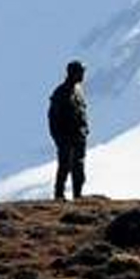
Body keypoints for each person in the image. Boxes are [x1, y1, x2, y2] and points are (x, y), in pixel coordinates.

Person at [47, 60, 89, 200]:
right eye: (81, 72)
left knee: (79, 167)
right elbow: (53, 118)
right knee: (64, 167)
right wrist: (59, 139)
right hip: (66, 138)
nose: (83, 75)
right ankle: (59, 195)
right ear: (73, 73)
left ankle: (78, 195)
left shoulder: (78, 91)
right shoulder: (60, 93)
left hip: (79, 137)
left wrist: (85, 130)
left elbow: (82, 113)